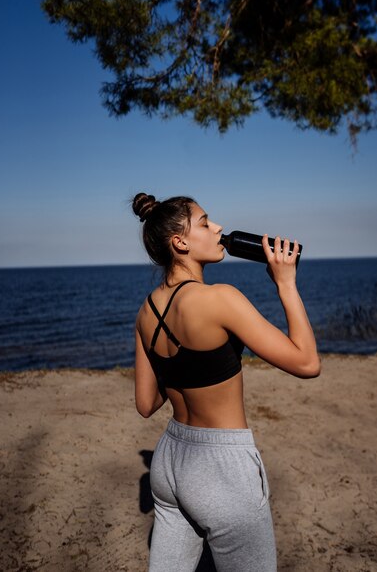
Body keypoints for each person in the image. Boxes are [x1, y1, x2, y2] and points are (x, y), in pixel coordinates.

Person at [132, 192, 321, 572]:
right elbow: (306, 362)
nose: (217, 228)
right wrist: (285, 283)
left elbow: (146, 404)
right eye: (204, 222)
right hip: (223, 466)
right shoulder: (220, 299)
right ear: (180, 242)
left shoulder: (147, 310)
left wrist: (185, 376)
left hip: (169, 463)